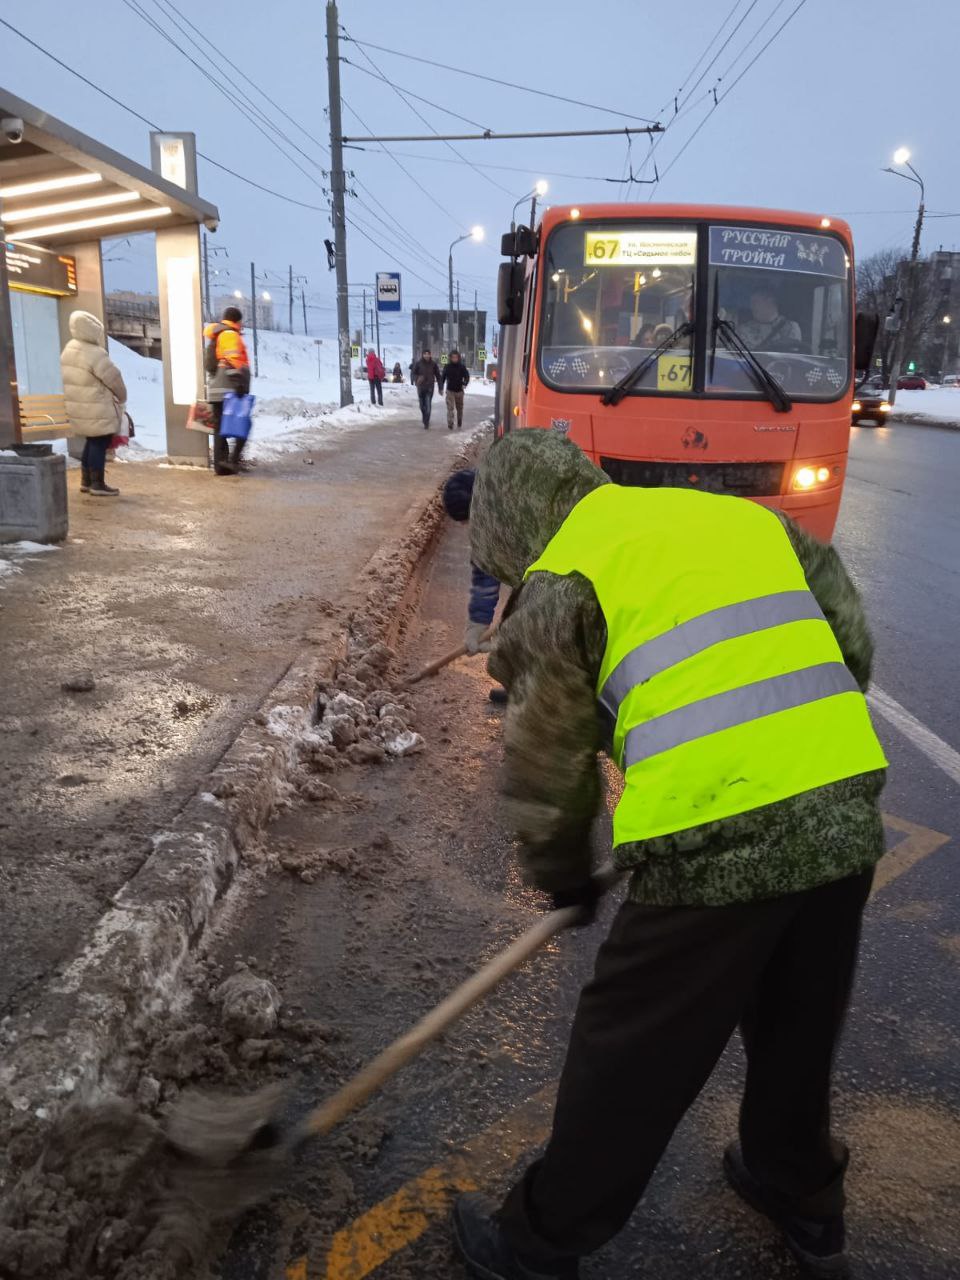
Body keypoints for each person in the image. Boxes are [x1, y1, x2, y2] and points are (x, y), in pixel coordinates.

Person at [453, 429, 888, 1280]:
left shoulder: (560, 583)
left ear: (511, 523)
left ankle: (538, 1244)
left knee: (630, 1054)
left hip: (712, 839)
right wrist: (804, 749)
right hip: (842, 799)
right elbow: (850, 632)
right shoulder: (734, 518)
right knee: (797, 1027)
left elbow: (549, 766)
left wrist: (566, 877)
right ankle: (799, 1192)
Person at [441, 468, 507, 706]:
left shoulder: (514, 505)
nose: (469, 526)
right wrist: (477, 625)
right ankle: (521, 684)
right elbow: (485, 573)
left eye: (469, 519)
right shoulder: (489, 516)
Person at [60, 310, 128, 497]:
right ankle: (97, 483)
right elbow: (113, 378)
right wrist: (122, 396)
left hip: (80, 406)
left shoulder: (69, 349)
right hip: (96, 405)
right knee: (99, 440)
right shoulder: (94, 353)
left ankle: (86, 480)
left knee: (91, 441)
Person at [203, 306, 251, 475]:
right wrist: (238, 382)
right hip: (228, 388)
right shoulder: (230, 334)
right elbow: (233, 359)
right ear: (237, 320)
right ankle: (230, 462)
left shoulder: (218, 333)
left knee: (220, 429)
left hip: (217, 388)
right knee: (244, 424)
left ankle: (222, 465)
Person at [411, 348, 442, 428]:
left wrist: (440, 387)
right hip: (421, 388)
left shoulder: (433, 364)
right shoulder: (418, 364)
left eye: (428, 354)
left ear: (430, 355)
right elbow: (413, 374)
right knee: (422, 406)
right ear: (423, 355)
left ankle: (426, 422)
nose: (427, 355)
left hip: (429, 388)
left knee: (428, 405)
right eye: (425, 354)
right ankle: (424, 417)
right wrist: (417, 378)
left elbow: (438, 376)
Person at [440, 349, 470, 430]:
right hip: (450, 391)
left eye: (456, 357)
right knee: (450, 408)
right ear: (450, 358)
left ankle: (459, 421)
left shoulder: (462, 367)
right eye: (453, 357)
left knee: (459, 408)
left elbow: (467, 376)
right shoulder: (447, 367)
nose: (454, 359)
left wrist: (465, 383)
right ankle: (450, 423)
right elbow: (442, 378)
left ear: (458, 358)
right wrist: (441, 388)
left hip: (459, 391)